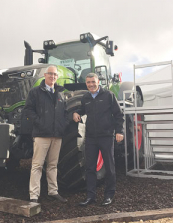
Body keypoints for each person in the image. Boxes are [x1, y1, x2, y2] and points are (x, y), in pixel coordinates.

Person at [73, 73, 124, 206]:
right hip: (91, 138)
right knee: (90, 168)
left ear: (98, 82)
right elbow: (83, 109)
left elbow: (119, 115)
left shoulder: (108, 96)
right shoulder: (86, 97)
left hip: (106, 136)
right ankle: (91, 196)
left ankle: (109, 195)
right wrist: (76, 112)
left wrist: (119, 131)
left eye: (93, 82)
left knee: (109, 167)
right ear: (86, 84)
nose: (91, 84)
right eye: (88, 82)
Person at [24, 65, 68, 203]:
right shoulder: (35, 92)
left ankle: (53, 192)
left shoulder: (61, 93)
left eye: (55, 75)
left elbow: (66, 112)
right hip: (41, 135)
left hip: (56, 135)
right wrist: (40, 123)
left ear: (57, 77)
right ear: (45, 75)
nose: (53, 77)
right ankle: (34, 195)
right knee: (37, 165)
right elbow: (28, 111)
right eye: (50, 74)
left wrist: (62, 125)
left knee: (53, 165)